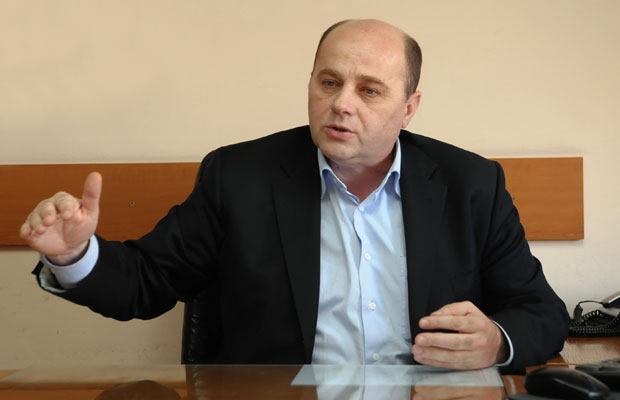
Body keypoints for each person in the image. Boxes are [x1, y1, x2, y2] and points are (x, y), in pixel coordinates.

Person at [21, 19, 569, 372]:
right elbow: (147, 282)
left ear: (409, 108)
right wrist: (74, 255)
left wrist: (497, 341)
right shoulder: (238, 177)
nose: (342, 104)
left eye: (369, 90)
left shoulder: (471, 185)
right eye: (329, 82)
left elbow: (540, 312)